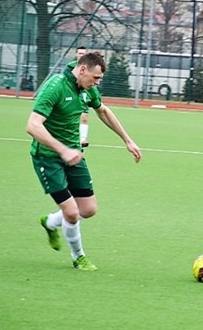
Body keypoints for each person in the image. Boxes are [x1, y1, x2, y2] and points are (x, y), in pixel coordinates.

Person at [27, 52, 142, 271]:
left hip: (74, 156)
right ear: (82, 70)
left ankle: (50, 222)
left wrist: (128, 140)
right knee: (71, 212)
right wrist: (62, 150)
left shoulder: (88, 89)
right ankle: (78, 257)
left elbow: (104, 111)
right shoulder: (56, 87)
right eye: (95, 78)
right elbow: (33, 125)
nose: (97, 83)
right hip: (48, 158)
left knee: (88, 209)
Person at [65, 46, 91, 147]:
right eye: (80, 53)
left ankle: (83, 139)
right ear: (76, 54)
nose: (82, 55)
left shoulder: (89, 68)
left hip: (83, 92)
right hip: (72, 92)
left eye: (84, 54)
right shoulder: (71, 66)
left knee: (84, 116)